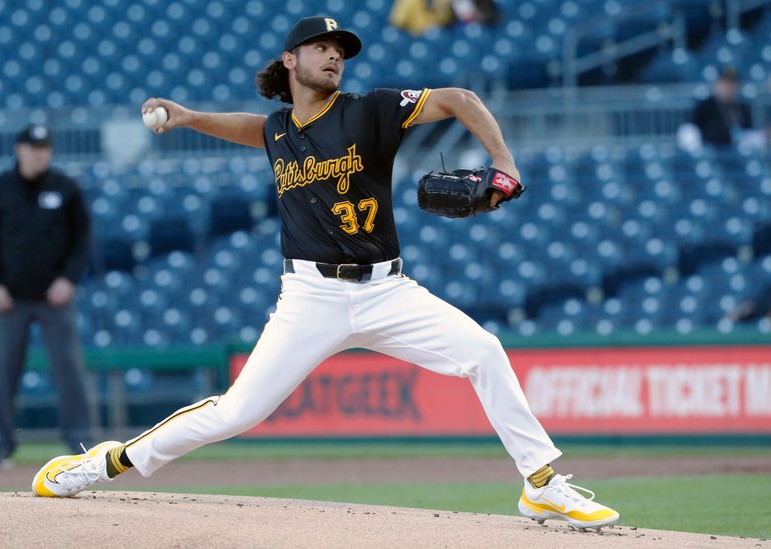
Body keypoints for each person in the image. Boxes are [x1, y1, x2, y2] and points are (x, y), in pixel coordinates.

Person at [32, 16, 619, 530]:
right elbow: (248, 127)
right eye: (321, 45)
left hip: (388, 290)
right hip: (310, 296)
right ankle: (104, 463)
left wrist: (503, 162)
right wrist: (188, 118)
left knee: (484, 351)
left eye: (340, 48)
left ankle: (541, 485)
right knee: (237, 412)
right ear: (290, 60)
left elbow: (461, 98)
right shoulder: (278, 131)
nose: (335, 53)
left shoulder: (370, 111)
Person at [0, 125, 93, 468]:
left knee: (68, 369)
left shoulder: (65, 187)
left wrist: (69, 280)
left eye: (44, 147)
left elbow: (82, 238)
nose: (39, 153)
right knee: (6, 371)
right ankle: (1, 446)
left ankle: (79, 442)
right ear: (19, 149)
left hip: (54, 298)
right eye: (33, 147)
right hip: (10, 299)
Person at [691, 66, 754, 147]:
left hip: (735, 150)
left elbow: (748, 133)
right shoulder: (705, 106)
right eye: (725, 84)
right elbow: (691, 129)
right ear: (717, 84)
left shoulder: (742, 108)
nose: (729, 88)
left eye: (732, 84)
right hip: (710, 150)